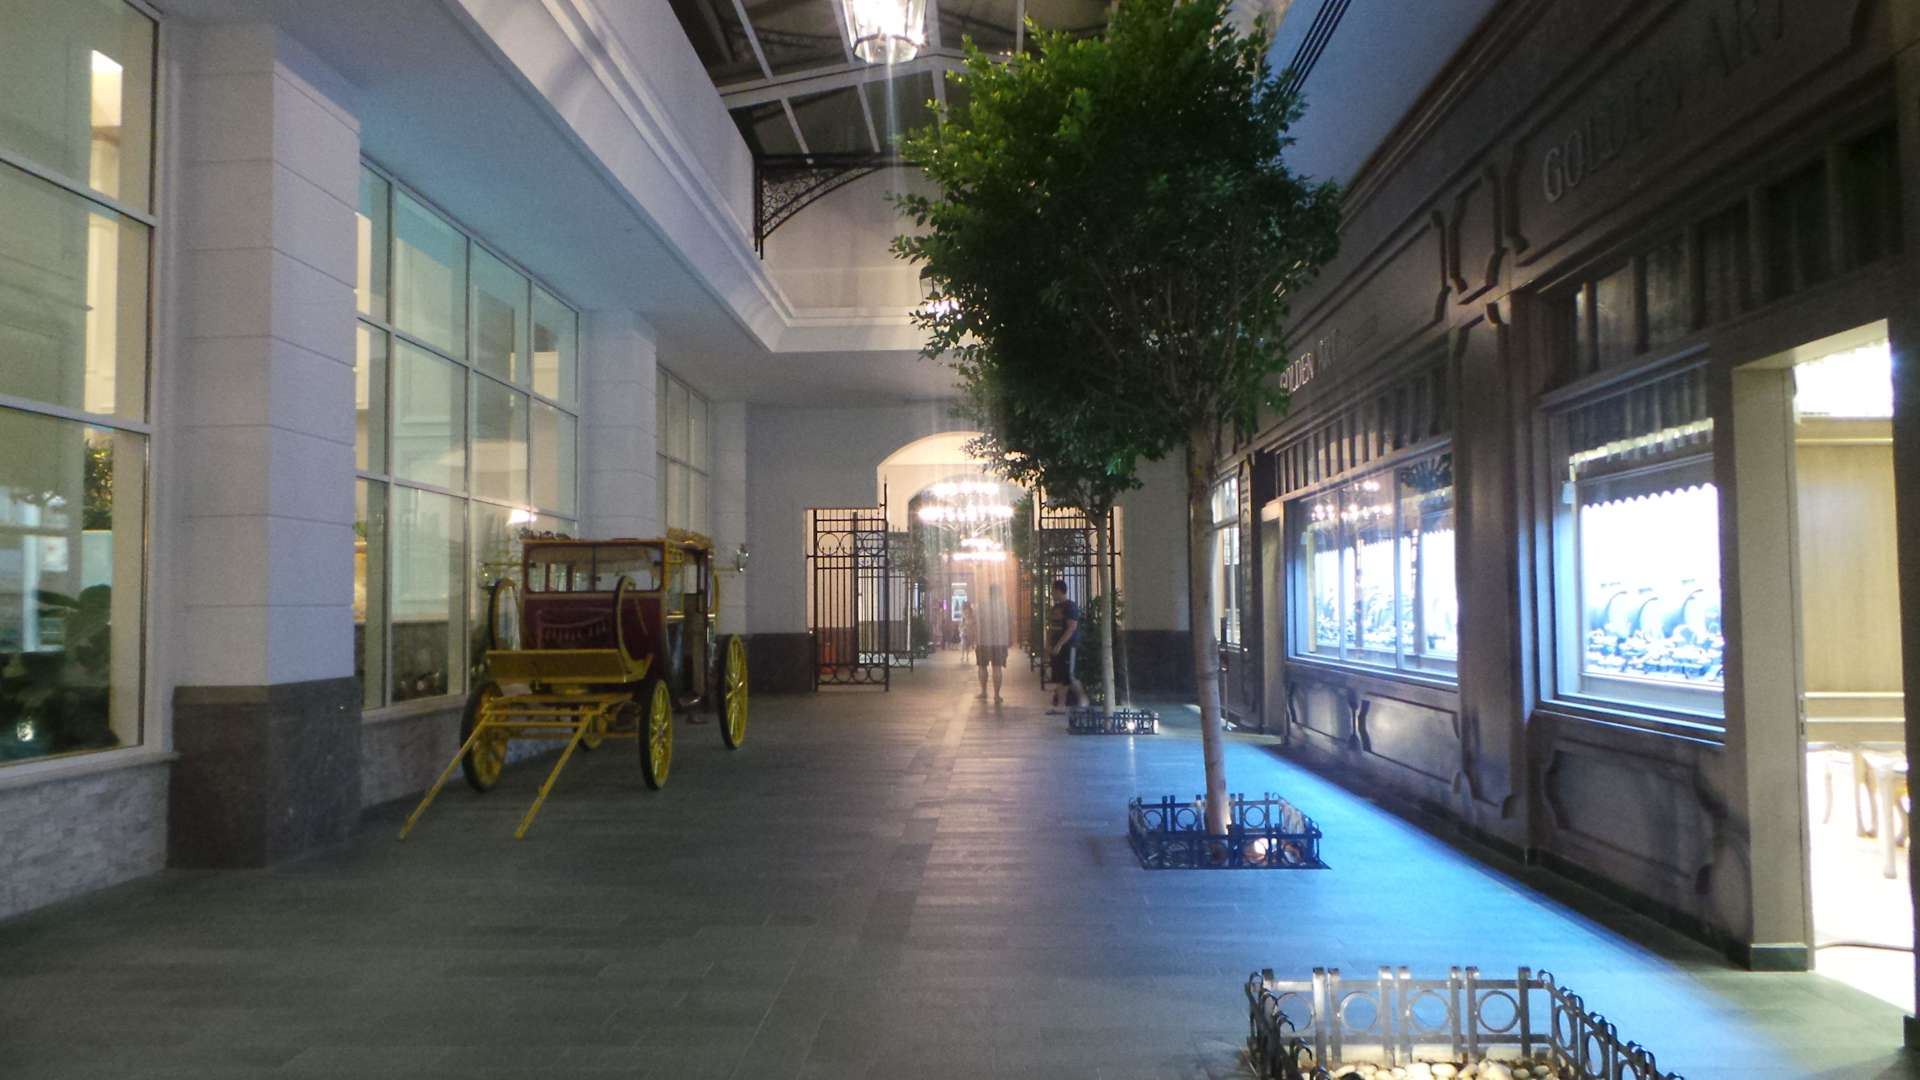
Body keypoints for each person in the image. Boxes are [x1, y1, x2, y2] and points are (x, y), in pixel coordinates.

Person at [1045, 579, 1085, 713]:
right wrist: (1049, 644)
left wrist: (1059, 645)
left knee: (1070, 676)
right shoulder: (1054, 608)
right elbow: (1050, 627)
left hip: (1068, 647)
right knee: (1060, 677)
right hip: (1057, 648)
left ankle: (1083, 701)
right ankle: (1061, 705)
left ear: (1058, 590)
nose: (1051, 594)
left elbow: (1072, 627)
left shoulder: (1070, 607)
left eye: (1052, 591)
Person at [972, 582, 1012, 704]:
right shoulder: (1004, 607)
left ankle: (984, 691)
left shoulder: (981, 606)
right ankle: (996, 695)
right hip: (1000, 641)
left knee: (982, 666)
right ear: (999, 594)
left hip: (983, 641)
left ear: (989, 593)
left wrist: (975, 638)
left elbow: (975, 623)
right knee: (997, 668)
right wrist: (1009, 638)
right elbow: (1010, 624)